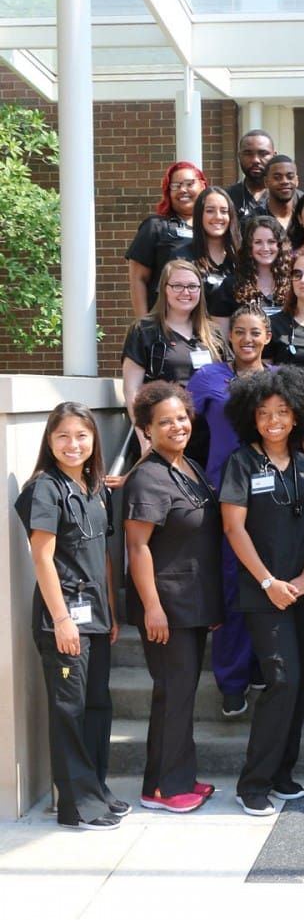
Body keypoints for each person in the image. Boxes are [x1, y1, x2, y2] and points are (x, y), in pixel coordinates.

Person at [220, 367, 304, 816]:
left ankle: (283, 773)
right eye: (264, 413)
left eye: (282, 412)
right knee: (281, 680)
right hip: (263, 594)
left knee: (299, 684)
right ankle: (254, 784)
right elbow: (233, 527)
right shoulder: (240, 463)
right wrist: (268, 581)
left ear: (297, 414)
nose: (273, 421)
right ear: (252, 417)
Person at [15, 404, 126, 830]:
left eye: (81, 435)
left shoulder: (96, 487)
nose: (72, 444)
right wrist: (62, 620)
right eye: (62, 436)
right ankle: (78, 804)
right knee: (69, 710)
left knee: (97, 706)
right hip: (63, 619)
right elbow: (41, 557)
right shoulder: (45, 488)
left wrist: (111, 613)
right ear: (49, 440)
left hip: (97, 616)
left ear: (94, 439)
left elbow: (104, 558)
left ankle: (96, 790)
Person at [123, 382, 223, 813]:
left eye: (181, 417)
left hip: (193, 602)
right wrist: (152, 608)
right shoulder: (148, 477)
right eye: (164, 421)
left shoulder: (190, 467)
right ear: (147, 428)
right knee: (174, 693)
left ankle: (165, 780)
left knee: (178, 694)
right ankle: (168, 787)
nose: (176, 425)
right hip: (166, 605)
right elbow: (138, 547)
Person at [187, 305, 273, 717]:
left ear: (267, 336)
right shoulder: (208, 378)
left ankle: (261, 664)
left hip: (269, 494)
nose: (247, 339)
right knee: (233, 585)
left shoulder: (278, 380)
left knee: (268, 580)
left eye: (255, 332)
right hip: (223, 493)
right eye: (239, 332)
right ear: (229, 337)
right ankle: (232, 680)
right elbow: (182, 428)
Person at [121, 258, 229, 461]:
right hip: (163, 435)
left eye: (192, 286)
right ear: (164, 289)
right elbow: (131, 390)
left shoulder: (213, 333)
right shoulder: (144, 330)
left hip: (207, 438)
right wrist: (146, 441)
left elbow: (226, 380)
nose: (185, 292)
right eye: (177, 286)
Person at [126, 161, 207, 317]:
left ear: (203, 186)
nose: (183, 190)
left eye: (189, 184)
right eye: (176, 186)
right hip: (164, 322)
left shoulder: (213, 228)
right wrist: (144, 324)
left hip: (205, 323)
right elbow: (138, 279)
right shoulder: (155, 227)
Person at [175, 186, 241, 333]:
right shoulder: (182, 258)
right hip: (194, 339)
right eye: (210, 211)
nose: (218, 217)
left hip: (238, 344)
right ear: (200, 215)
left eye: (224, 211)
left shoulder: (241, 257)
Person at [219, 215, 292, 318]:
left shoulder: (293, 283)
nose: (265, 248)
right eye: (258, 242)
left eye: (271, 242)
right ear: (249, 246)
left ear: (280, 245)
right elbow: (221, 332)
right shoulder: (230, 286)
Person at [226, 129, 275, 222]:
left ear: (274, 156)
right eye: (248, 154)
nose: (255, 160)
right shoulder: (226, 198)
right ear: (239, 157)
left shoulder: (293, 198)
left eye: (263, 154)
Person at [260, 155, 300, 232]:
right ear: (266, 182)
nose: (284, 181)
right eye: (277, 177)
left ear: (297, 181)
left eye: (290, 177)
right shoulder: (252, 220)